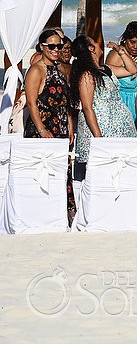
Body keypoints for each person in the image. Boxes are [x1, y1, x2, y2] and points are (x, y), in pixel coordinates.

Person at [22, 28, 75, 219]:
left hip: (60, 127)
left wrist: (69, 124)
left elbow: (65, 101)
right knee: (43, 171)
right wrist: (42, 129)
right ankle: (40, 214)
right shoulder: (37, 69)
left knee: (62, 170)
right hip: (42, 129)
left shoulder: (60, 69)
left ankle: (61, 214)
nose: (56, 49)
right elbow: (31, 102)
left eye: (59, 46)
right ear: (42, 47)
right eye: (51, 46)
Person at [72, 35, 137, 173]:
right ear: (91, 48)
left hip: (118, 128)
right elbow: (87, 107)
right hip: (102, 129)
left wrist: (121, 52)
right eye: (94, 41)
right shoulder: (87, 75)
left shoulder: (105, 69)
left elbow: (132, 70)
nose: (98, 43)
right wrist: (98, 138)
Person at [106, 20, 137, 120]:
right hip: (120, 105)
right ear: (125, 39)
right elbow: (107, 82)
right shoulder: (116, 55)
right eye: (132, 42)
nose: (135, 47)